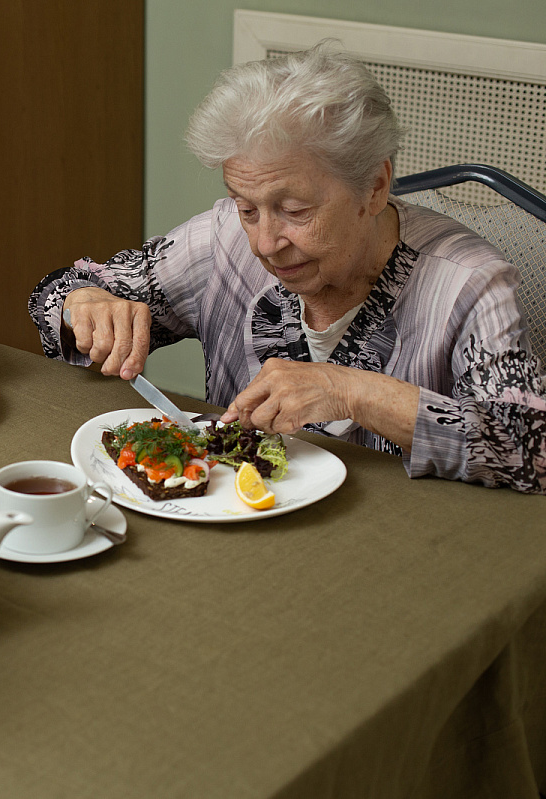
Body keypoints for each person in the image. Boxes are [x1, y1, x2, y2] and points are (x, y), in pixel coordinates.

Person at [29, 43, 546, 494]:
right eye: (246, 207)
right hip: (234, 523)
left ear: (375, 186)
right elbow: (60, 294)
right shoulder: (222, 243)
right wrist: (86, 303)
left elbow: (530, 446)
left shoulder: (468, 281)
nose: (265, 243)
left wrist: (352, 391)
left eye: (296, 211)